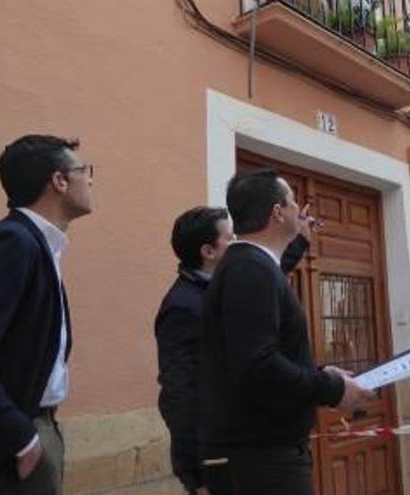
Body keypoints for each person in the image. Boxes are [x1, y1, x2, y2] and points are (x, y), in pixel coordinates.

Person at [199, 169, 374, 494]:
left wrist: (318, 372)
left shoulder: (255, 266)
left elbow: (260, 357)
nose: (299, 208)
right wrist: (332, 388)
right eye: (292, 200)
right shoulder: (249, 269)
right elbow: (257, 367)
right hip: (261, 461)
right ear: (277, 213)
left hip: (264, 455)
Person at [0, 134, 94, 494]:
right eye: (85, 171)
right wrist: (21, 439)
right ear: (59, 181)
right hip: (12, 441)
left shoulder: (38, 245)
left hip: (38, 427)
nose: (91, 179)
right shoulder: (11, 243)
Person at [154, 206, 312, 495]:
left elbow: (269, 274)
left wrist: (299, 239)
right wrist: (195, 475)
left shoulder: (230, 284)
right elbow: (180, 392)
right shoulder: (183, 307)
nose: (241, 243)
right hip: (223, 463)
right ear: (209, 251)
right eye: (231, 237)